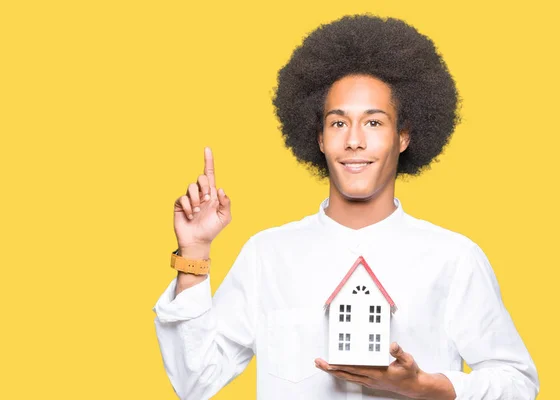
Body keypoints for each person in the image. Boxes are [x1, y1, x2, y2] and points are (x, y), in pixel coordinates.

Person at [153, 14, 539, 400]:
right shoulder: (266, 255)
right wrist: (194, 253)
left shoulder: (454, 259)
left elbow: (519, 384)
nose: (354, 141)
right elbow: (195, 380)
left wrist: (427, 386)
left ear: (402, 136)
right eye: (338, 124)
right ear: (319, 137)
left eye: (374, 123)